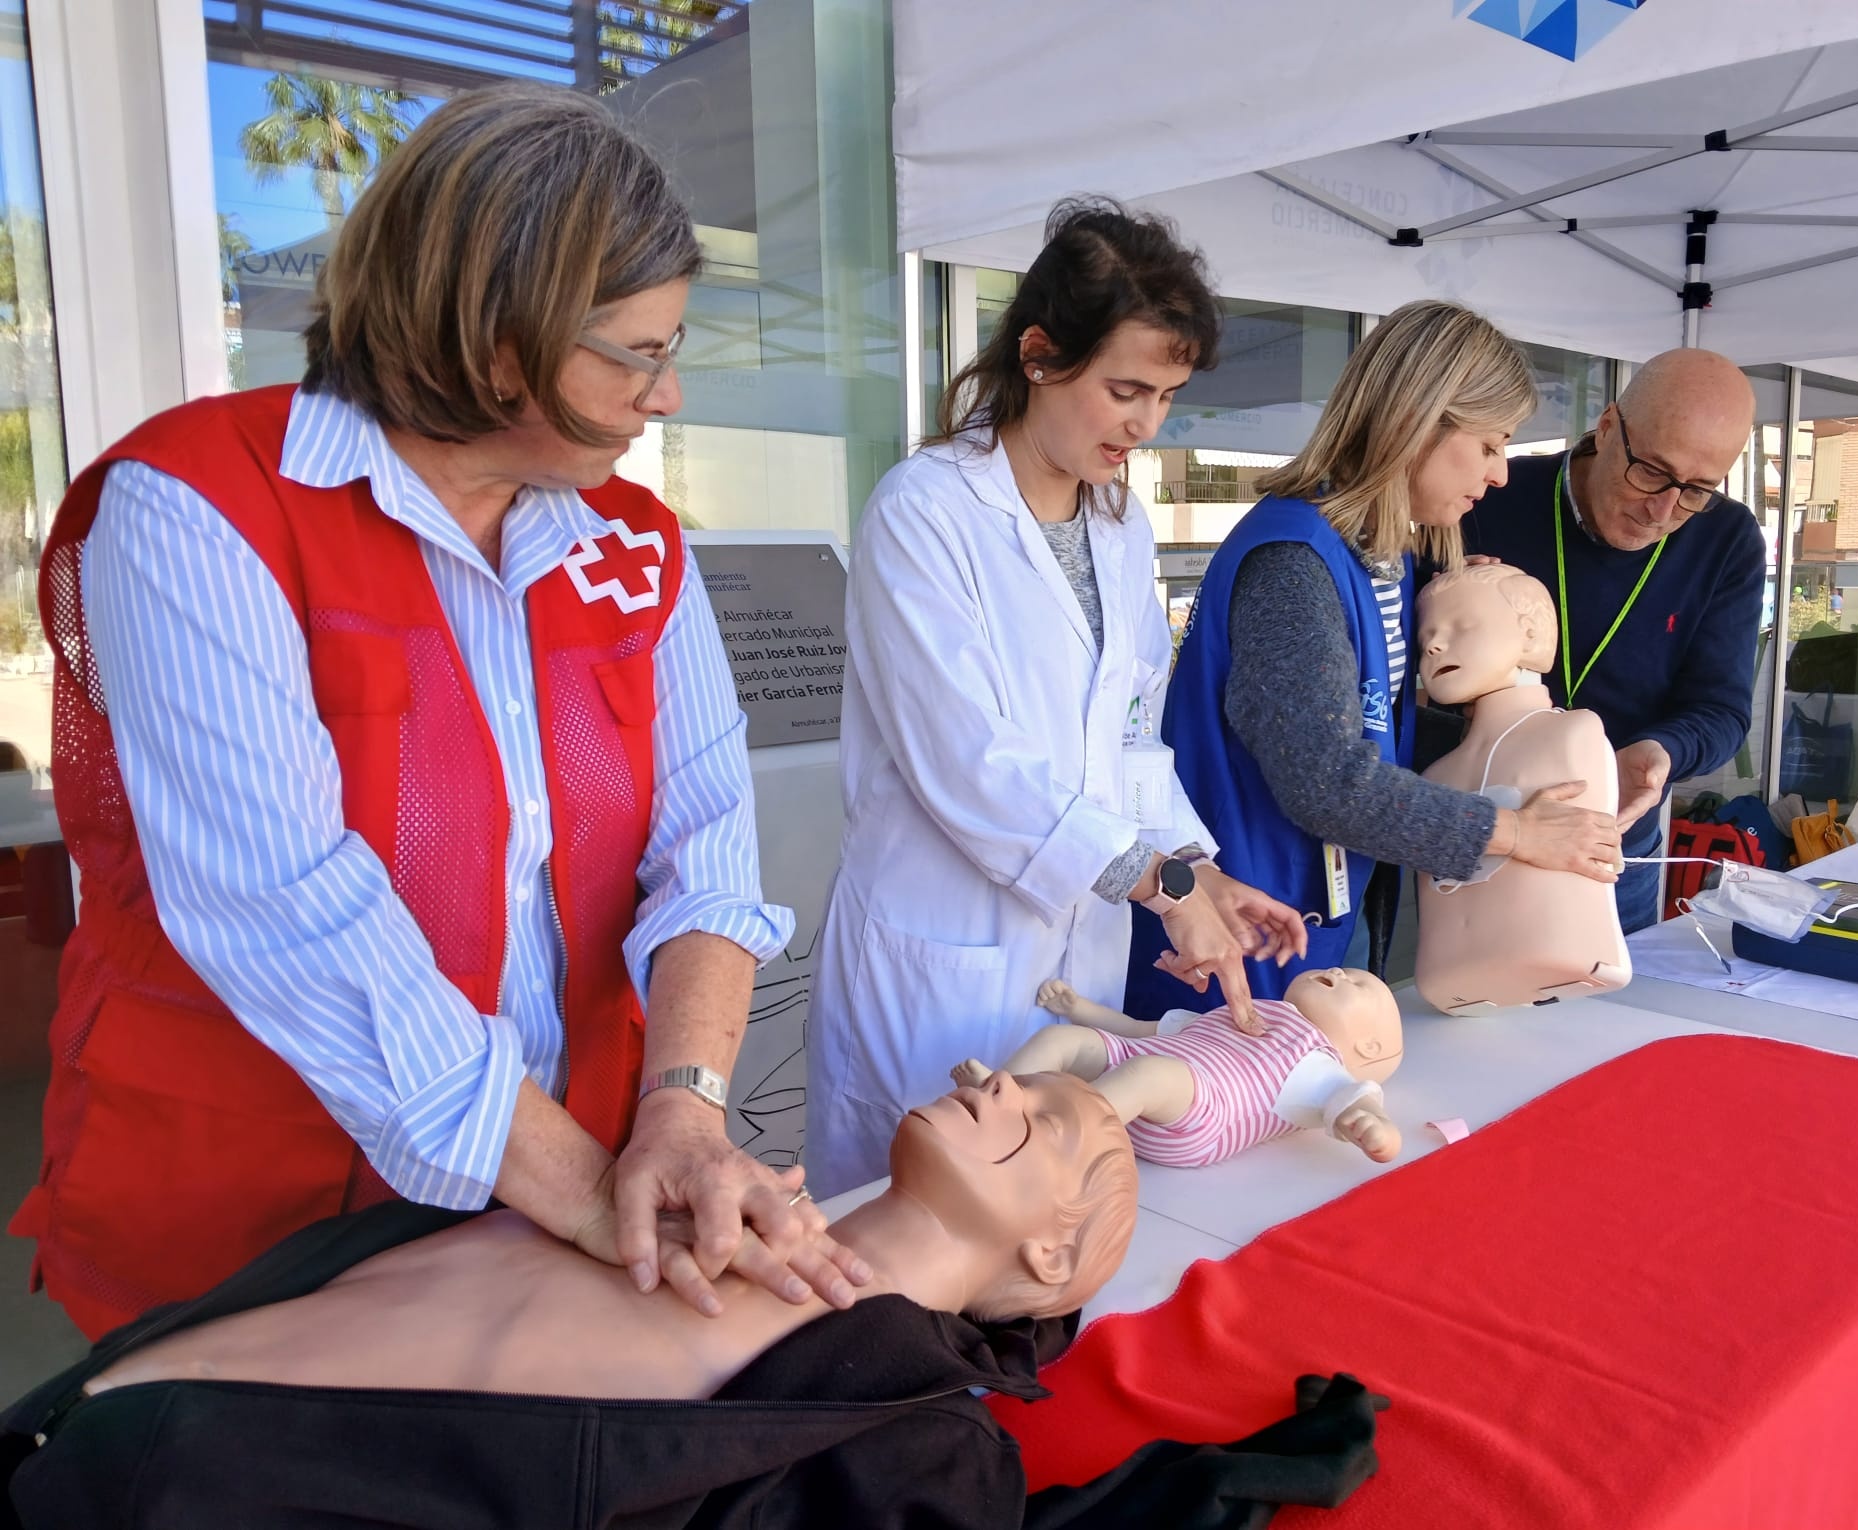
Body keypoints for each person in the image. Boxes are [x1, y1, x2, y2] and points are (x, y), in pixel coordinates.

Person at [9, 82, 865, 1340]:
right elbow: (293, 915)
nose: (667, 396)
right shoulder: (198, 508)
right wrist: (585, 1189)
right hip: (256, 1213)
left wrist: (682, 1110)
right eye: (641, 353)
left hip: (557, 1193)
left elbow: (707, 856)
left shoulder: (633, 543)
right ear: (495, 340)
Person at [4, 1069, 1390, 1530]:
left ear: (1051, 1259)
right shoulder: (630, 1189)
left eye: (1053, 1125)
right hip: (67, 1426)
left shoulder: (901, 1436)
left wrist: (1217, 1482)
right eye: (1029, 1080)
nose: (997, 1079)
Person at [804, 199, 1306, 1198]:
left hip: (1075, 956)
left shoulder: (1118, 526)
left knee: (1046, 1216)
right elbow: (968, 763)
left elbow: (1132, 740)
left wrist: (1199, 872)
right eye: (1126, 390)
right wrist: (1160, 888)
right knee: (908, 1221)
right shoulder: (925, 511)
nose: (1148, 423)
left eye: (1167, 396)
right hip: (937, 959)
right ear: (1039, 355)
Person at [1125, 301, 1621, 1019]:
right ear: (1418, 420)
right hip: (1237, 942)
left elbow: (1372, 724)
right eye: (1489, 445)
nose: (1500, 474)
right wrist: (1512, 832)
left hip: (1308, 923)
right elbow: (1326, 779)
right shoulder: (1293, 563)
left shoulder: (1385, 558)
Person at [1459, 348, 1763, 933]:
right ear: (1606, 428)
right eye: (1651, 471)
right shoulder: (1487, 498)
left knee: (1612, 992)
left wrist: (1664, 749)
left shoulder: (1726, 538)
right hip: (1481, 825)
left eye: (1698, 489)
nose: (1662, 511)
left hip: (1616, 837)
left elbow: (1722, 710)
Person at [1412, 564, 1631, 1014]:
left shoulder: (1571, 733)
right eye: (1425, 638)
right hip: (1447, 987)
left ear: (1530, 635)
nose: (1433, 645)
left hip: (1564, 962)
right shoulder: (1433, 776)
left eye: (1462, 626)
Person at [955, 966, 1404, 1167]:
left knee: (1149, 1074)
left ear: (1369, 1046)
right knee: (1062, 1041)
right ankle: (1000, 1095)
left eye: (1358, 983)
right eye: (1343, 968)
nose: (1341, 972)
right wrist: (1080, 1010)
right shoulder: (1252, 1012)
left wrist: (1379, 1131)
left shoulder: (1320, 1060)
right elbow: (1140, 1030)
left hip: (1200, 1115)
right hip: (1148, 1074)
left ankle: (1047, 1139)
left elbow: (1359, 1103)